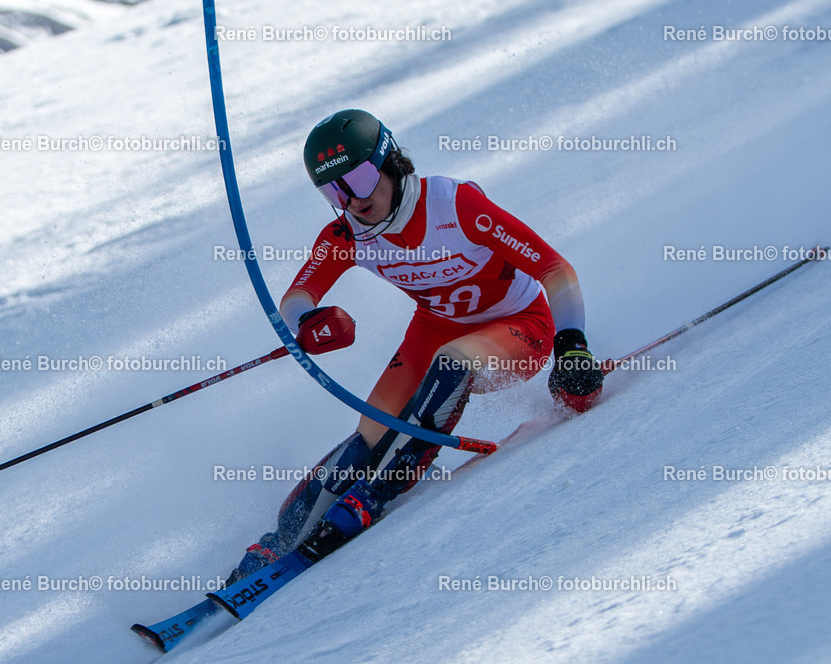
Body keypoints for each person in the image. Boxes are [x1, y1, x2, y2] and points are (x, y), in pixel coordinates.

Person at [227, 109, 603, 581]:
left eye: (359, 179)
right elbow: (296, 297)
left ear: (389, 162)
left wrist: (572, 346)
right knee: (371, 429)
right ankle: (279, 541)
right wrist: (309, 320)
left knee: (453, 362)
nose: (351, 200)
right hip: (437, 325)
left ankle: (377, 494)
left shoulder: (454, 204)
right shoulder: (348, 235)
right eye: (332, 191)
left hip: (520, 324)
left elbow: (555, 269)